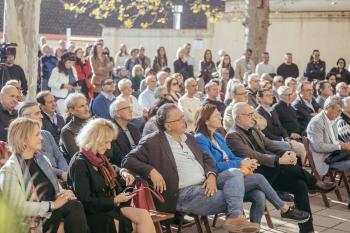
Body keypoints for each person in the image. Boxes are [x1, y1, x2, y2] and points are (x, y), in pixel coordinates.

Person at [122, 104, 261, 232]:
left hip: (206, 184)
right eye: (180, 118)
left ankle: (234, 219)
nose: (185, 120)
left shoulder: (188, 137)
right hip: (184, 194)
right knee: (253, 194)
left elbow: (206, 158)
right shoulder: (152, 141)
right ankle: (236, 218)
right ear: (168, 126)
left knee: (235, 173)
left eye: (183, 116)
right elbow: (127, 160)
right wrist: (151, 171)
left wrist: (212, 175)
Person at [226, 102, 337, 233]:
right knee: (280, 164)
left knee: (300, 185)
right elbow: (252, 155)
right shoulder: (232, 135)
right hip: (254, 176)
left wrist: (287, 153)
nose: (253, 117)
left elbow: (269, 144)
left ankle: (307, 230)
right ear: (238, 118)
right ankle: (315, 183)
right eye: (249, 115)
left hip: (269, 172)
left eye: (253, 114)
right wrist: (280, 159)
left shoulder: (254, 129)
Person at [195, 104, 310, 224]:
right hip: (218, 179)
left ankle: (254, 229)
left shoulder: (218, 136)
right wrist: (240, 162)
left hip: (234, 176)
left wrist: (247, 163)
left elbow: (231, 156)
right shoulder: (200, 139)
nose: (221, 117)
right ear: (206, 121)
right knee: (260, 177)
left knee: (259, 195)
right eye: (217, 116)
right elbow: (213, 166)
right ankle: (285, 209)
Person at [0, 117, 88, 233]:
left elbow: (54, 186)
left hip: (51, 212)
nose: (41, 138)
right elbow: (18, 207)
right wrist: (52, 205)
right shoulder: (9, 170)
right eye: (37, 135)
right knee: (75, 208)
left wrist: (63, 194)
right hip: (31, 220)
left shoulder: (42, 159)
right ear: (24, 139)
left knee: (76, 204)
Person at [69, 118, 155, 233]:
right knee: (134, 226)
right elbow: (85, 201)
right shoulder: (79, 163)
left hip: (110, 206)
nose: (109, 147)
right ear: (94, 139)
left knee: (144, 215)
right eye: (106, 142)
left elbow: (112, 168)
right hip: (95, 214)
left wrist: (123, 172)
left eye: (110, 142)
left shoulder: (98, 158)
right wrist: (114, 200)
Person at [18, 101, 69, 181]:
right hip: (44, 178)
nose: (41, 116)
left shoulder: (46, 134)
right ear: (25, 117)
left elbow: (59, 156)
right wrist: (60, 173)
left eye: (40, 113)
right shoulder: (23, 141)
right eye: (37, 113)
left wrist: (66, 172)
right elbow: (39, 164)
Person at [308, 96, 350, 175]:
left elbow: (335, 140)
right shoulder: (316, 122)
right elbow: (318, 147)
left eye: (340, 112)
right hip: (326, 159)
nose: (339, 114)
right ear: (329, 108)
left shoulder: (332, 119)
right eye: (338, 111)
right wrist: (340, 146)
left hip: (336, 155)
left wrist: (344, 145)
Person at [108, 99, 141, 167]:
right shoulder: (110, 131)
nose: (131, 110)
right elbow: (117, 157)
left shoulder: (133, 128)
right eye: (126, 108)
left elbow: (142, 148)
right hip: (124, 167)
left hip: (139, 162)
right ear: (117, 113)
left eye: (130, 107)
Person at [60, 93, 91, 162]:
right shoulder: (67, 131)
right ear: (71, 110)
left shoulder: (94, 123)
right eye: (82, 106)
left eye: (86, 104)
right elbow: (78, 156)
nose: (87, 109)